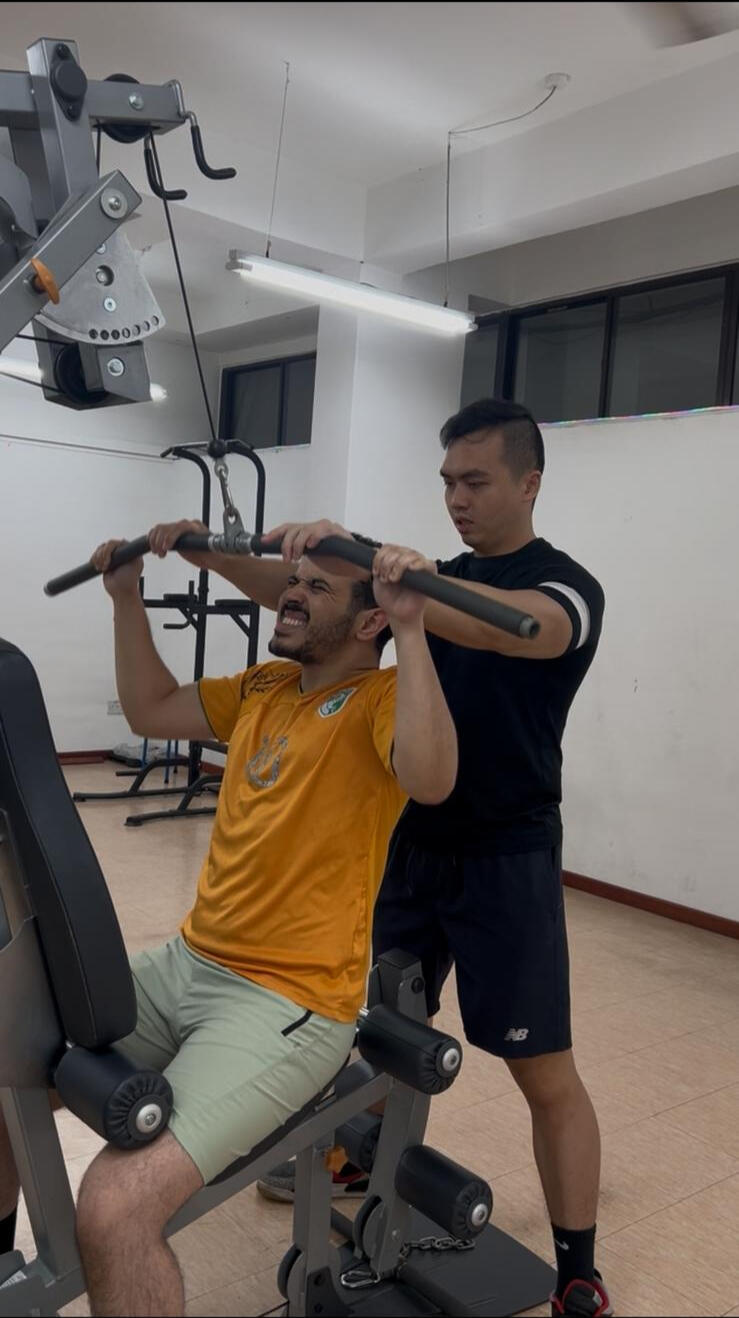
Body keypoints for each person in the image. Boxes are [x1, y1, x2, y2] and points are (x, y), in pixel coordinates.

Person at [154, 398, 610, 1318]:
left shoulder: (562, 588)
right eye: (447, 482)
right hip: (407, 843)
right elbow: (315, 600)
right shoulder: (429, 581)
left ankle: (577, 1265)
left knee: (542, 1070)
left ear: (529, 482)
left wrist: (377, 563)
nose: (457, 499)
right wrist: (211, 553)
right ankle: (355, 1153)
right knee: (380, 1024)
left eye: (475, 481)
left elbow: (508, 627)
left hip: (504, 857)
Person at [0, 535, 457, 1318]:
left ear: (367, 622)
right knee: (3, 1071)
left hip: (287, 1003)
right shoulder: (265, 685)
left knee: (114, 1207)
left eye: (316, 587)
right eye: (294, 580)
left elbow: (431, 777)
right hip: (188, 962)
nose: (291, 592)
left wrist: (412, 627)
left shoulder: (381, 700)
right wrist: (126, 598)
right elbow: (151, 709)